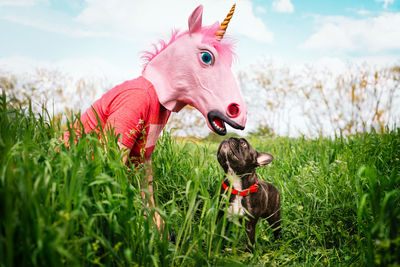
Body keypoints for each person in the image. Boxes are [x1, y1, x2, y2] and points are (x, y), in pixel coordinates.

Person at [61, 4, 247, 232]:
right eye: (206, 58)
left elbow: (142, 162)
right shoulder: (138, 97)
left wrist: (151, 210)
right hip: (70, 183)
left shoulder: (161, 107)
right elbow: (108, 167)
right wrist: (139, 218)